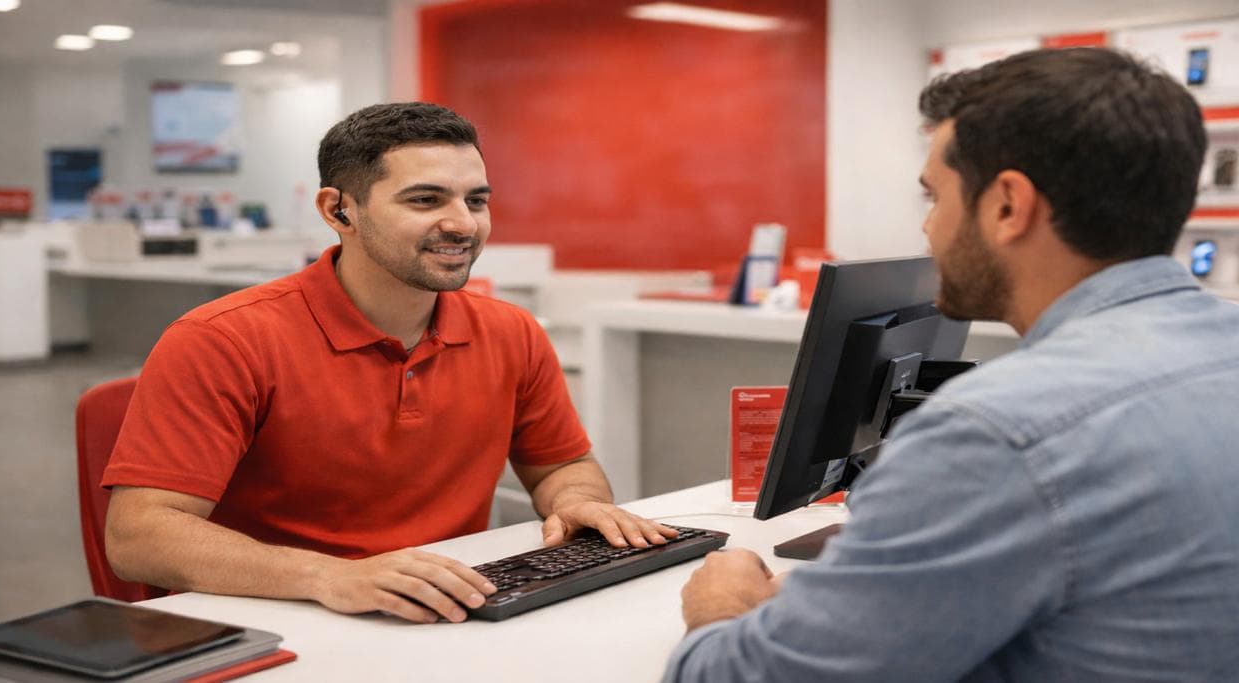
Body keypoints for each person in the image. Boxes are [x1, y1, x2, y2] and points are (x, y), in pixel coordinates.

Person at [665, 47, 1239, 681]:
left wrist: (719, 610)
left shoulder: (996, 434)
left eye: (933, 198)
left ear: (1006, 206)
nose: (929, 231)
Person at [103, 102, 677, 625]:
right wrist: (329, 576)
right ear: (339, 211)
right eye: (425, 200)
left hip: (443, 609)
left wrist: (577, 503)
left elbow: (560, 466)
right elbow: (140, 537)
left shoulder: (511, 332)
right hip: (281, 616)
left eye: (476, 200)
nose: (463, 224)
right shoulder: (223, 340)